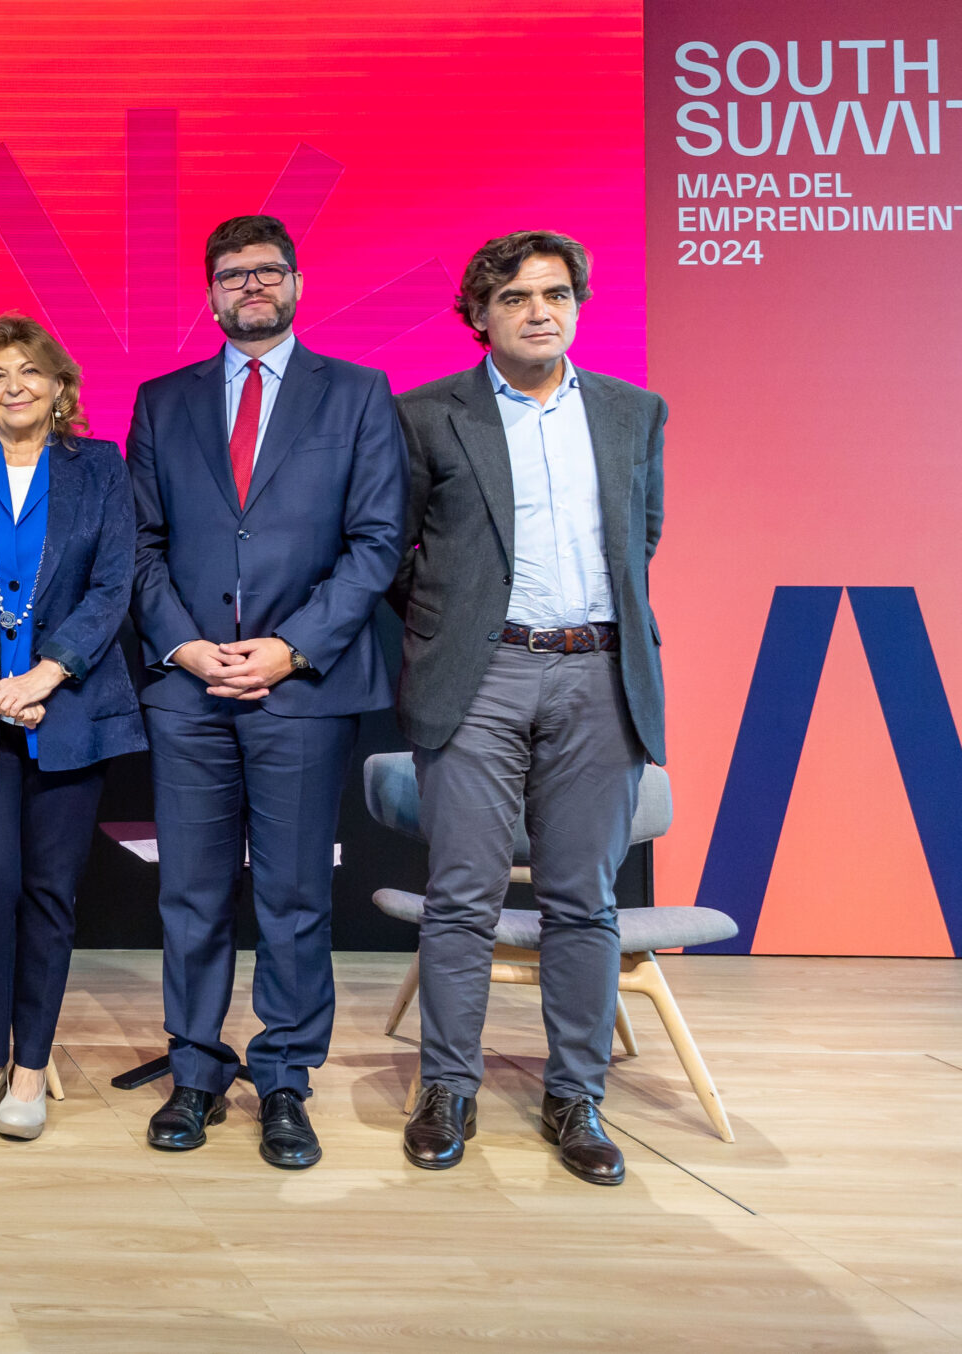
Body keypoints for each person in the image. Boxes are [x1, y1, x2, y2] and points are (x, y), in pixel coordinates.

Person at [127, 215, 408, 1169]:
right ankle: (196, 1073)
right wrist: (183, 646)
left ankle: (285, 1078)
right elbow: (142, 545)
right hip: (191, 690)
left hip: (302, 689)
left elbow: (378, 544)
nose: (253, 285)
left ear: (296, 282)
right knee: (193, 895)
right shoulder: (162, 403)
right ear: (208, 293)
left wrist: (290, 647)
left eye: (269, 271)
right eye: (233, 274)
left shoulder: (360, 396)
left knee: (292, 898)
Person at [393, 231, 667, 1187]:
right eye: (515, 297)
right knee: (462, 897)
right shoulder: (427, 416)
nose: (539, 310)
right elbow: (394, 552)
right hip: (481, 677)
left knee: (584, 902)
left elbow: (646, 537)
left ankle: (575, 1095)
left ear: (579, 305)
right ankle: (447, 1089)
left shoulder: (636, 412)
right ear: (480, 315)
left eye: (556, 294)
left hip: (600, 674)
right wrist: (448, 630)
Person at [0, 314, 144, 1142]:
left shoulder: (101, 469)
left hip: (71, 711)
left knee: (51, 894)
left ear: (59, 387)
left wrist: (47, 673)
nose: (14, 385)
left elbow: (112, 584)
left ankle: (32, 1065)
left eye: (30, 372)